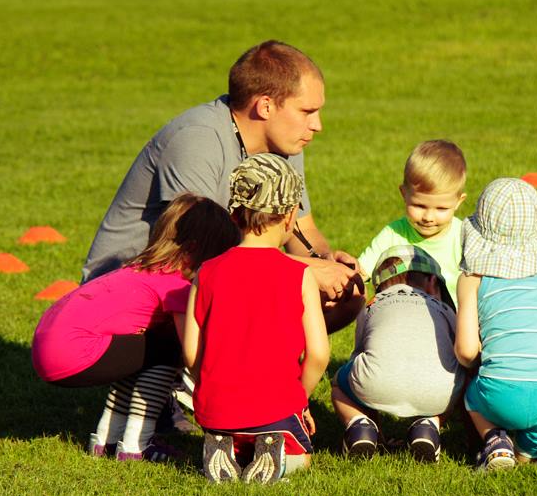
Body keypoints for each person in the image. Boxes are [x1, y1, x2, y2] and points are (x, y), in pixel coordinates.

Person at [82, 40, 363, 332]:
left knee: (348, 297)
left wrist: (325, 262)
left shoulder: (285, 146)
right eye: (307, 111)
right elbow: (197, 254)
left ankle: (261, 369)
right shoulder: (197, 139)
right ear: (265, 106)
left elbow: (302, 230)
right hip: (129, 297)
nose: (318, 124)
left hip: (211, 277)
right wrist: (303, 271)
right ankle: (157, 372)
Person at [31, 193, 239, 461]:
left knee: (143, 350)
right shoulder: (175, 286)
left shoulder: (140, 268)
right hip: (72, 354)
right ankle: (136, 445)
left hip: (48, 350)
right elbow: (191, 349)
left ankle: (105, 439)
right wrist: (211, 389)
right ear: (192, 251)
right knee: (169, 347)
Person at [183, 154, 330, 485]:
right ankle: (275, 455)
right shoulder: (301, 275)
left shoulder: (206, 273)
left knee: (232, 428)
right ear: (291, 216)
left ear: (234, 214)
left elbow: (191, 353)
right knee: (301, 460)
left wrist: (211, 385)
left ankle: (227, 445)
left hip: (216, 410)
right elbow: (319, 355)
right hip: (277, 409)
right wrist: (299, 400)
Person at [454, 178, 537, 471]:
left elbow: (466, 351)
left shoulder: (472, 280)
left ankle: (495, 440)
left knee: (471, 396)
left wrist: (486, 361)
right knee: (532, 458)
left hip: (501, 393)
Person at [332, 245, 465, 463]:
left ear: (379, 287)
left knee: (341, 383)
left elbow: (360, 354)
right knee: (456, 376)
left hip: (374, 382)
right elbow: (459, 348)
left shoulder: (370, 307)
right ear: (433, 283)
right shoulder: (445, 309)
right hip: (438, 391)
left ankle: (360, 426)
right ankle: (430, 425)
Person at [356, 140, 467, 307]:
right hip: (403, 318)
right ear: (404, 194)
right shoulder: (394, 234)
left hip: (454, 324)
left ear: (458, 202)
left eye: (441, 208)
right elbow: (360, 272)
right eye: (419, 206)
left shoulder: (463, 237)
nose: (428, 217)